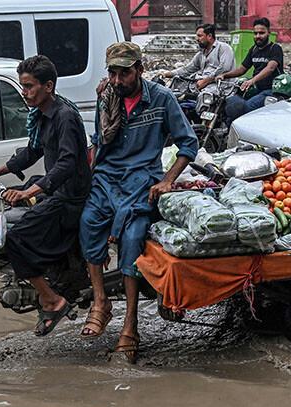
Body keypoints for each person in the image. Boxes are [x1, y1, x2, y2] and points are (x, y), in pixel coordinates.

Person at [79, 42, 198, 363]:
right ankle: (101, 301)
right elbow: (96, 146)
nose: (117, 80)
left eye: (124, 73)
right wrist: (88, 182)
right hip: (106, 179)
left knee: (132, 239)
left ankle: (130, 323)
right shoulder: (105, 99)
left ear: (140, 69)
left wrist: (167, 180)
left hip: (141, 181)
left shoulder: (161, 99)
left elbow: (189, 144)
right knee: (88, 222)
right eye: (113, 73)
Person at [0, 55, 91, 336]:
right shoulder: (42, 115)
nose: (24, 92)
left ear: (48, 86)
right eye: (22, 86)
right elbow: (32, 151)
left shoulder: (65, 116)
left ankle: (51, 298)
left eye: (29, 86)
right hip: (55, 192)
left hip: (69, 198)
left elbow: (67, 164)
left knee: (17, 237)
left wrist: (29, 191)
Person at [216, 17, 284, 123]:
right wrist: (225, 75)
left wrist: (252, 80)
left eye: (261, 33)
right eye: (255, 33)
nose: (258, 36)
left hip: (271, 90)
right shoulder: (254, 49)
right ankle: (229, 135)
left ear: (269, 33)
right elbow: (242, 69)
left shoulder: (275, 48)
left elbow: (270, 68)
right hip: (256, 89)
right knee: (232, 105)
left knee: (249, 106)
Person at [162, 23, 235, 91]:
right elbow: (187, 69)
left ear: (209, 36)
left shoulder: (223, 48)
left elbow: (224, 69)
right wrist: (167, 74)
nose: (197, 39)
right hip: (202, 83)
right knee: (175, 87)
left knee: (203, 95)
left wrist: (206, 81)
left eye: (200, 36)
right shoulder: (201, 54)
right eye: (197, 36)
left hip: (220, 86)